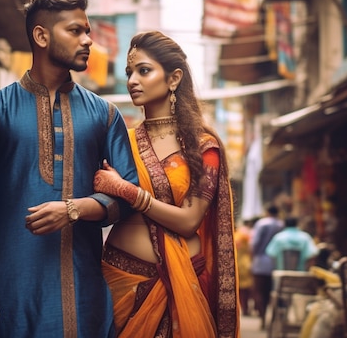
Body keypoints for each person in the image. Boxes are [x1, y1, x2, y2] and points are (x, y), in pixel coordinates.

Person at [0, 0, 138, 337]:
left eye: (88, 31)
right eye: (76, 31)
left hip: (85, 291)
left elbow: (130, 195)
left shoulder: (105, 115)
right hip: (6, 291)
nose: (88, 40)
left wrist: (76, 209)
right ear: (41, 36)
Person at [93, 31, 240, 337]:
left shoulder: (202, 148)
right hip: (119, 282)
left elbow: (188, 222)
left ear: (173, 79)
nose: (133, 80)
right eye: (129, 72)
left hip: (182, 284)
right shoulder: (122, 142)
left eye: (143, 70)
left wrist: (128, 191)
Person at [249, 204, 284, 329]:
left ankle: (263, 318)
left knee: (259, 292)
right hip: (276, 263)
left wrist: (252, 258)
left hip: (260, 263)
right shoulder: (281, 224)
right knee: (273, 293)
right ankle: (272, 320)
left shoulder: (262, 223)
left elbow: (255, 243)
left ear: (267, 212)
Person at [236, 218, 256, 316]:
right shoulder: (246, 235)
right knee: (248, 287)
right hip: (246, 262)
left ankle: (244, 307)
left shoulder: (238, 234)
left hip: (238, 262)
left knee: (241, 288)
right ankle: (247, 307)